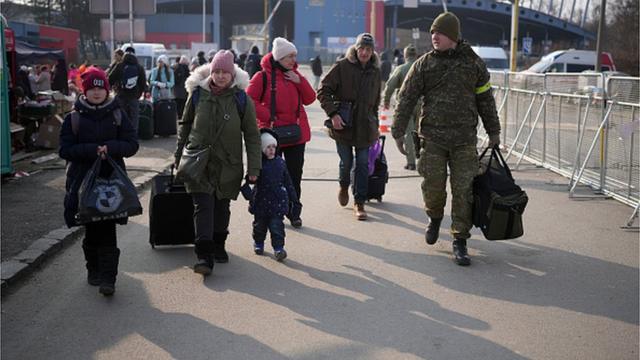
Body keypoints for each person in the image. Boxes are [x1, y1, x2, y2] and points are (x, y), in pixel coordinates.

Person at [391, 12, 501, 266]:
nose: (434, 37)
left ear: (452, 35)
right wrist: (397, 130)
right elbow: (406, 98)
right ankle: (435, 216)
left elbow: (486, 100)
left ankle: (460, 240)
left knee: (463, 192)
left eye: (438, 33)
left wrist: (493, 132)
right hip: (432, 139)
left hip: (464, 140)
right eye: (432, 33)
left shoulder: (473, 64)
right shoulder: (424, 64)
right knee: (433, 187)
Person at [175, 50, 261, 276]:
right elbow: (185, 125)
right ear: (211, 72)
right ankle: (204, 255)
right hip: (198, 162)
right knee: (203, 206)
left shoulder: (241, 99)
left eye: (225, 72)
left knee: (222, 207)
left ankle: (219, 243)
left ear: (233, 74)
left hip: (228, 164)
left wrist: (254, 169)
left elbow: (252, 135)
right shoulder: (197, 95)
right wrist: (177, 158)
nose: (221, 76)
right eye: (217, 71)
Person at [59, 67, 139, 296]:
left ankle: (108, 279)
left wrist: (111, 148)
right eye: (92, 88)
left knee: (107, 230)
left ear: (107, 89)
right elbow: (65, 149)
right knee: (91, 231)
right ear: (85, 90)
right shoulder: (73, 117)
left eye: (100, 87)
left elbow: (132, 144)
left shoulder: (117, 114)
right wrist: (92, 151)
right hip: (83, 183)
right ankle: (93, 270)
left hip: (111, 183)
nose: (96, 92)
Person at [246, 37, 316, 228]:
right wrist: (268, 115)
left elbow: (310, 99)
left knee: (294, 176)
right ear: (279, 57)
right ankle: (267, 210)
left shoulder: (295, 75)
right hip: (272, 134)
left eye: (294, 56)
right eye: (289, 57)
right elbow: (248, 100)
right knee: (269, 177)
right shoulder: (262, 77)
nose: (293, 60)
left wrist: (299, 80)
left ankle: (294, 212)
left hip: (296, 134)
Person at [317, 33, 381, 221]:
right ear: (356, 48)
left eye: (368, 49)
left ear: (372, 52)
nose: (364, 52)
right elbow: (323, 90)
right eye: (361, 48)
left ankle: (359, 202)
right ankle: (344, 185)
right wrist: (333, 115)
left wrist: (375, 126)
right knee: (346, 163)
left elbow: (375, 102)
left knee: (362, 164)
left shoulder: (375, 71)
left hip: (365, 126)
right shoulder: (342, 66)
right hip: (343, 124)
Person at [248, 129, 301, 261]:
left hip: (278, 202)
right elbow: (250, 181)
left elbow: (288, 182)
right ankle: (258, 243)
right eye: (268, 147)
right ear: (262, 149)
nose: (271, 150)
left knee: (277, 228)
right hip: (261, 201)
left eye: (273, 147)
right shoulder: (259, 164)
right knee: (259, 227)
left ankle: (279, 248)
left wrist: (294, 200)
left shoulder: (280, 162)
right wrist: (249, 189)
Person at [383, 45, 419, 170]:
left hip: (406, 105)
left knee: (409, 133)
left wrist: (386, 101)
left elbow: (390, 86)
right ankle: (422, 157)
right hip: (422, 104)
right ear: (416, 55)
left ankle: (411, 162)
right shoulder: (423, 68)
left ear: (405, 55)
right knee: (422, 131)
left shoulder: (401, 69)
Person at [108, 47, 147, 131]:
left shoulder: (120, 65)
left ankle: (122, 135)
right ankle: (133, 137)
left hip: (121, 95)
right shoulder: (139, 67)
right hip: (133, 96)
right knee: (134, 118)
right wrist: (138, 94)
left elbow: (110, 78)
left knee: (121, 116)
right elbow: (143, 83)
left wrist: (115, 88)